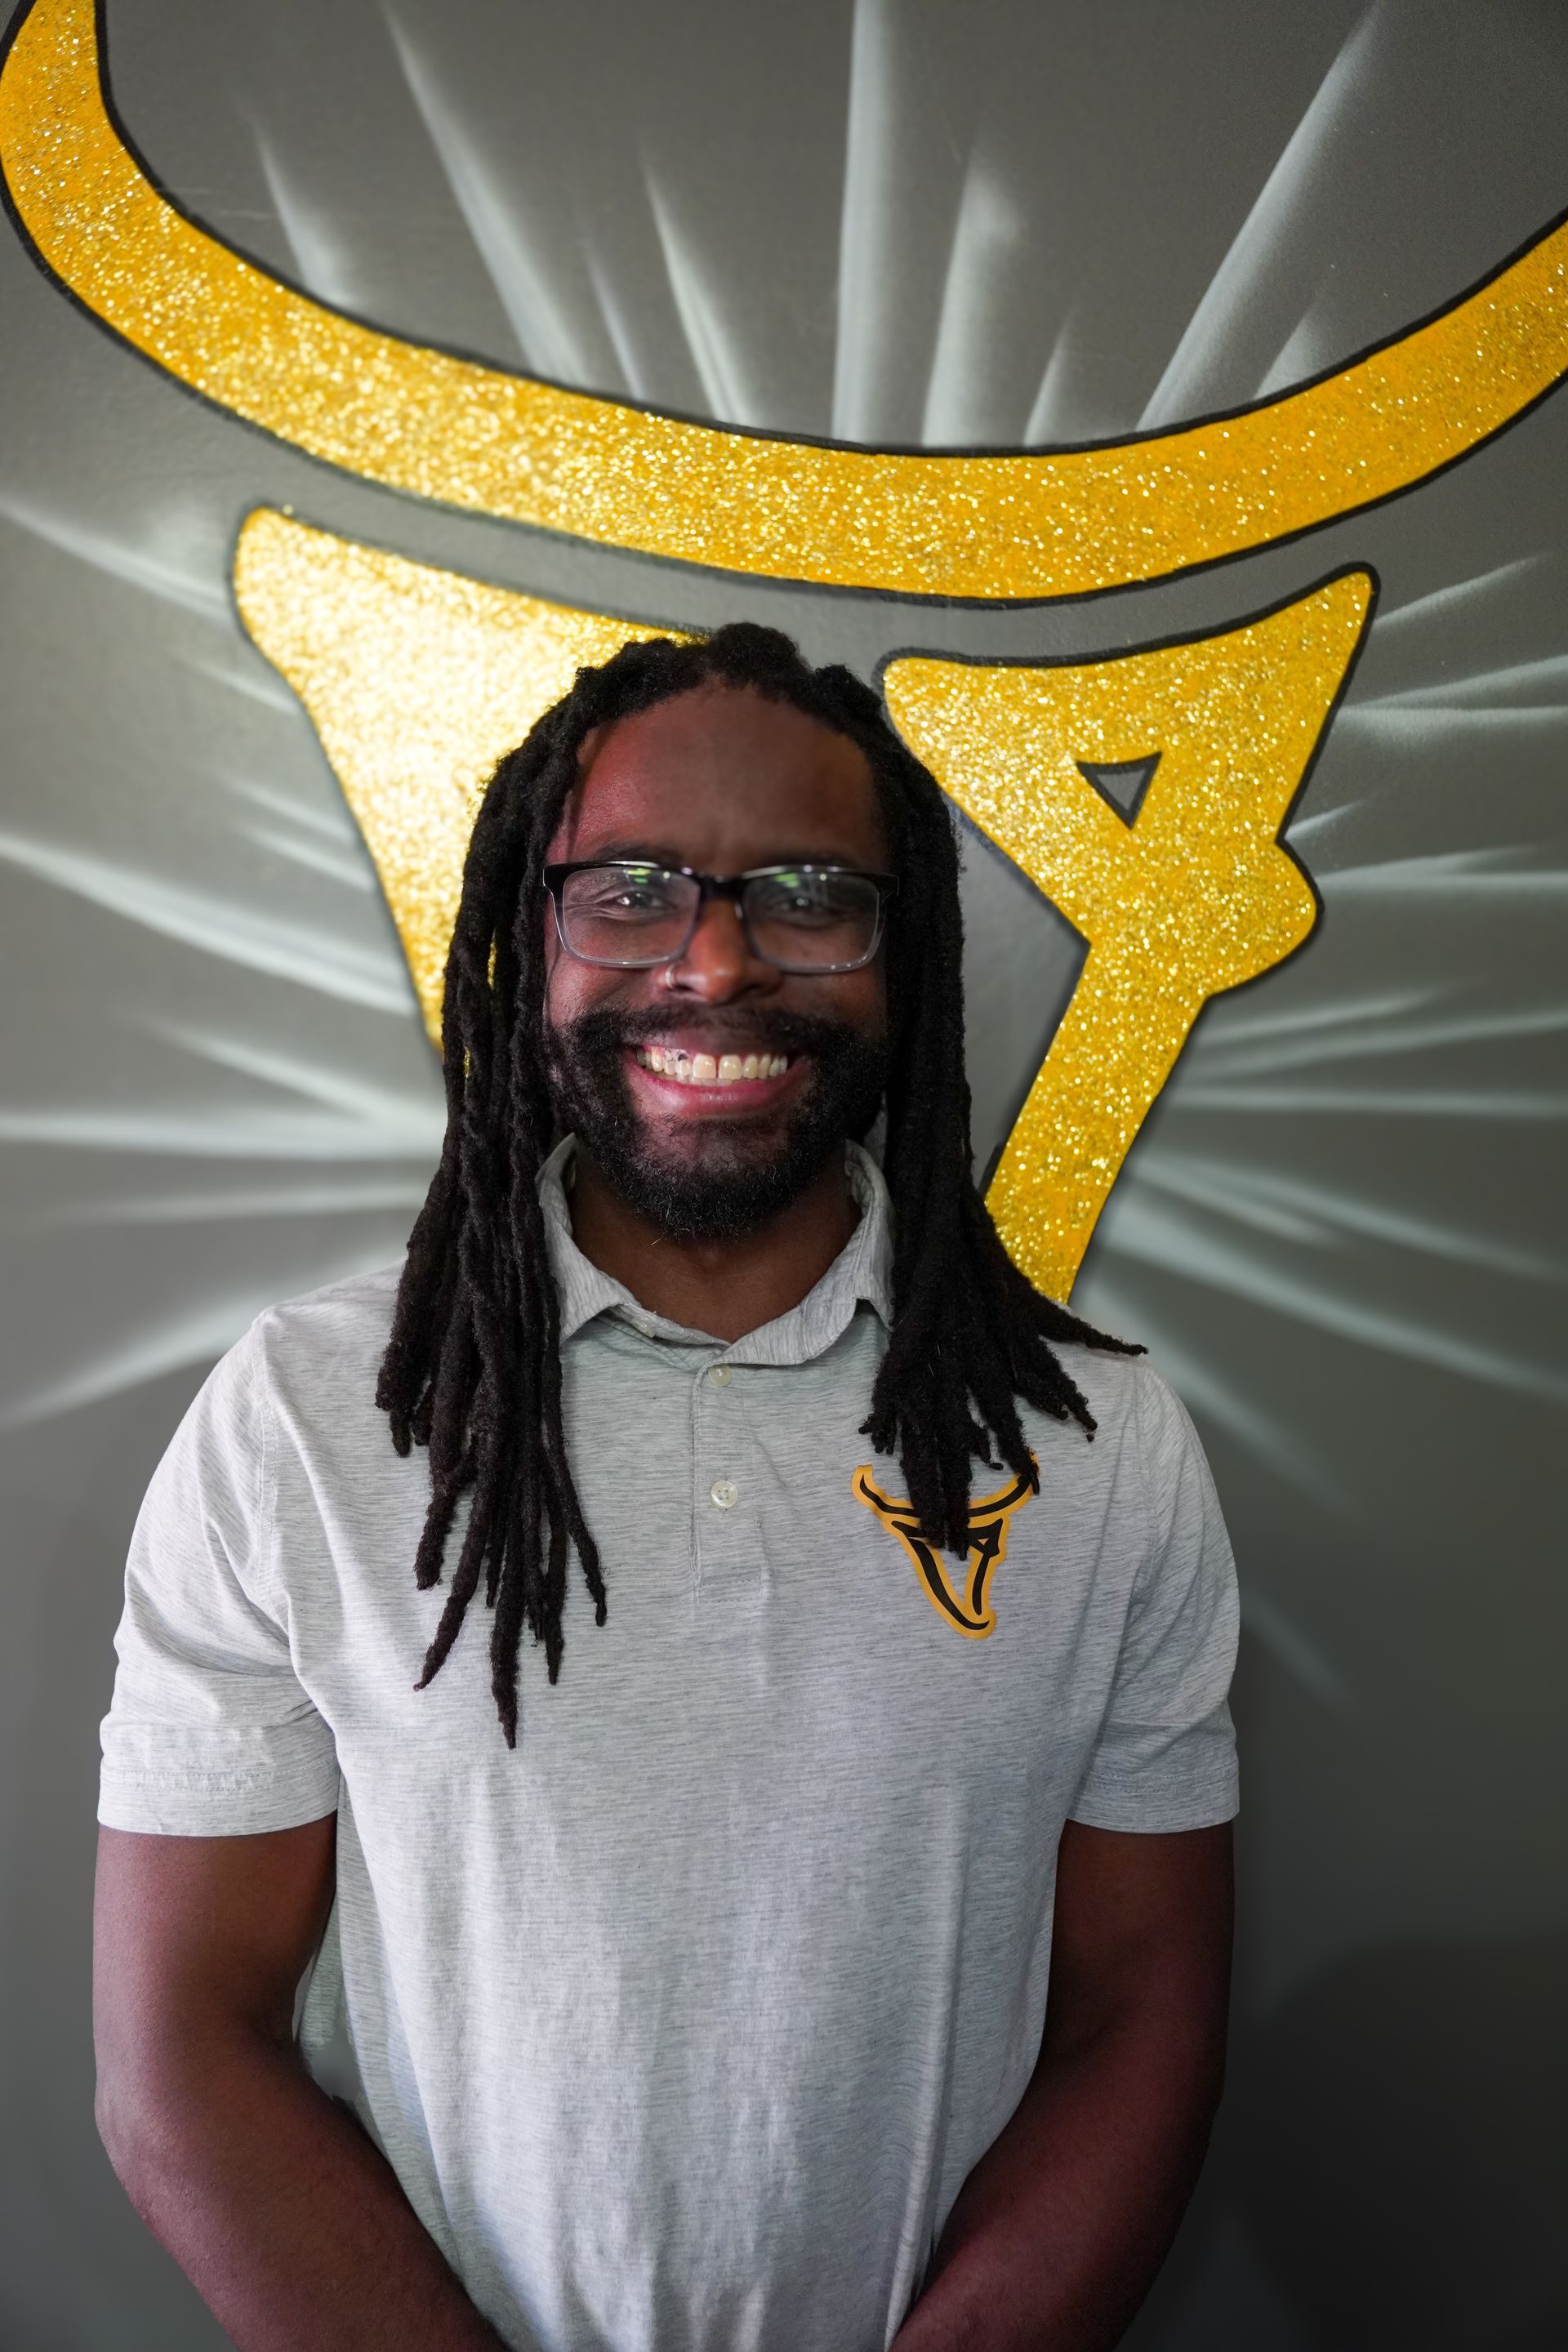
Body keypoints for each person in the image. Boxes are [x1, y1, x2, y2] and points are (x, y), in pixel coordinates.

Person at [92, 623, 1239, 2352]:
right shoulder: (309, 1418)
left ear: (900, 949)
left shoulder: (1097, 1446)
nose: (714, 964)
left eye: (805, 893)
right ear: (528, 937)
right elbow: (180, 2059)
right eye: (628, 891)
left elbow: (1142, 2015)